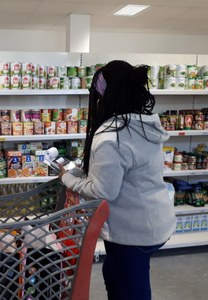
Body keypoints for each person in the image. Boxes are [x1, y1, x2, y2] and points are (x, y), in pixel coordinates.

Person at [58, 60, 176, 300]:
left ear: (105, 96)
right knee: (118, 276)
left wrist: (67, 178)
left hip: (132, 231)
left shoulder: (111, 136)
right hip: (153, 220)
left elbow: (102, 190)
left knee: (128, 289)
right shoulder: (142, 123)